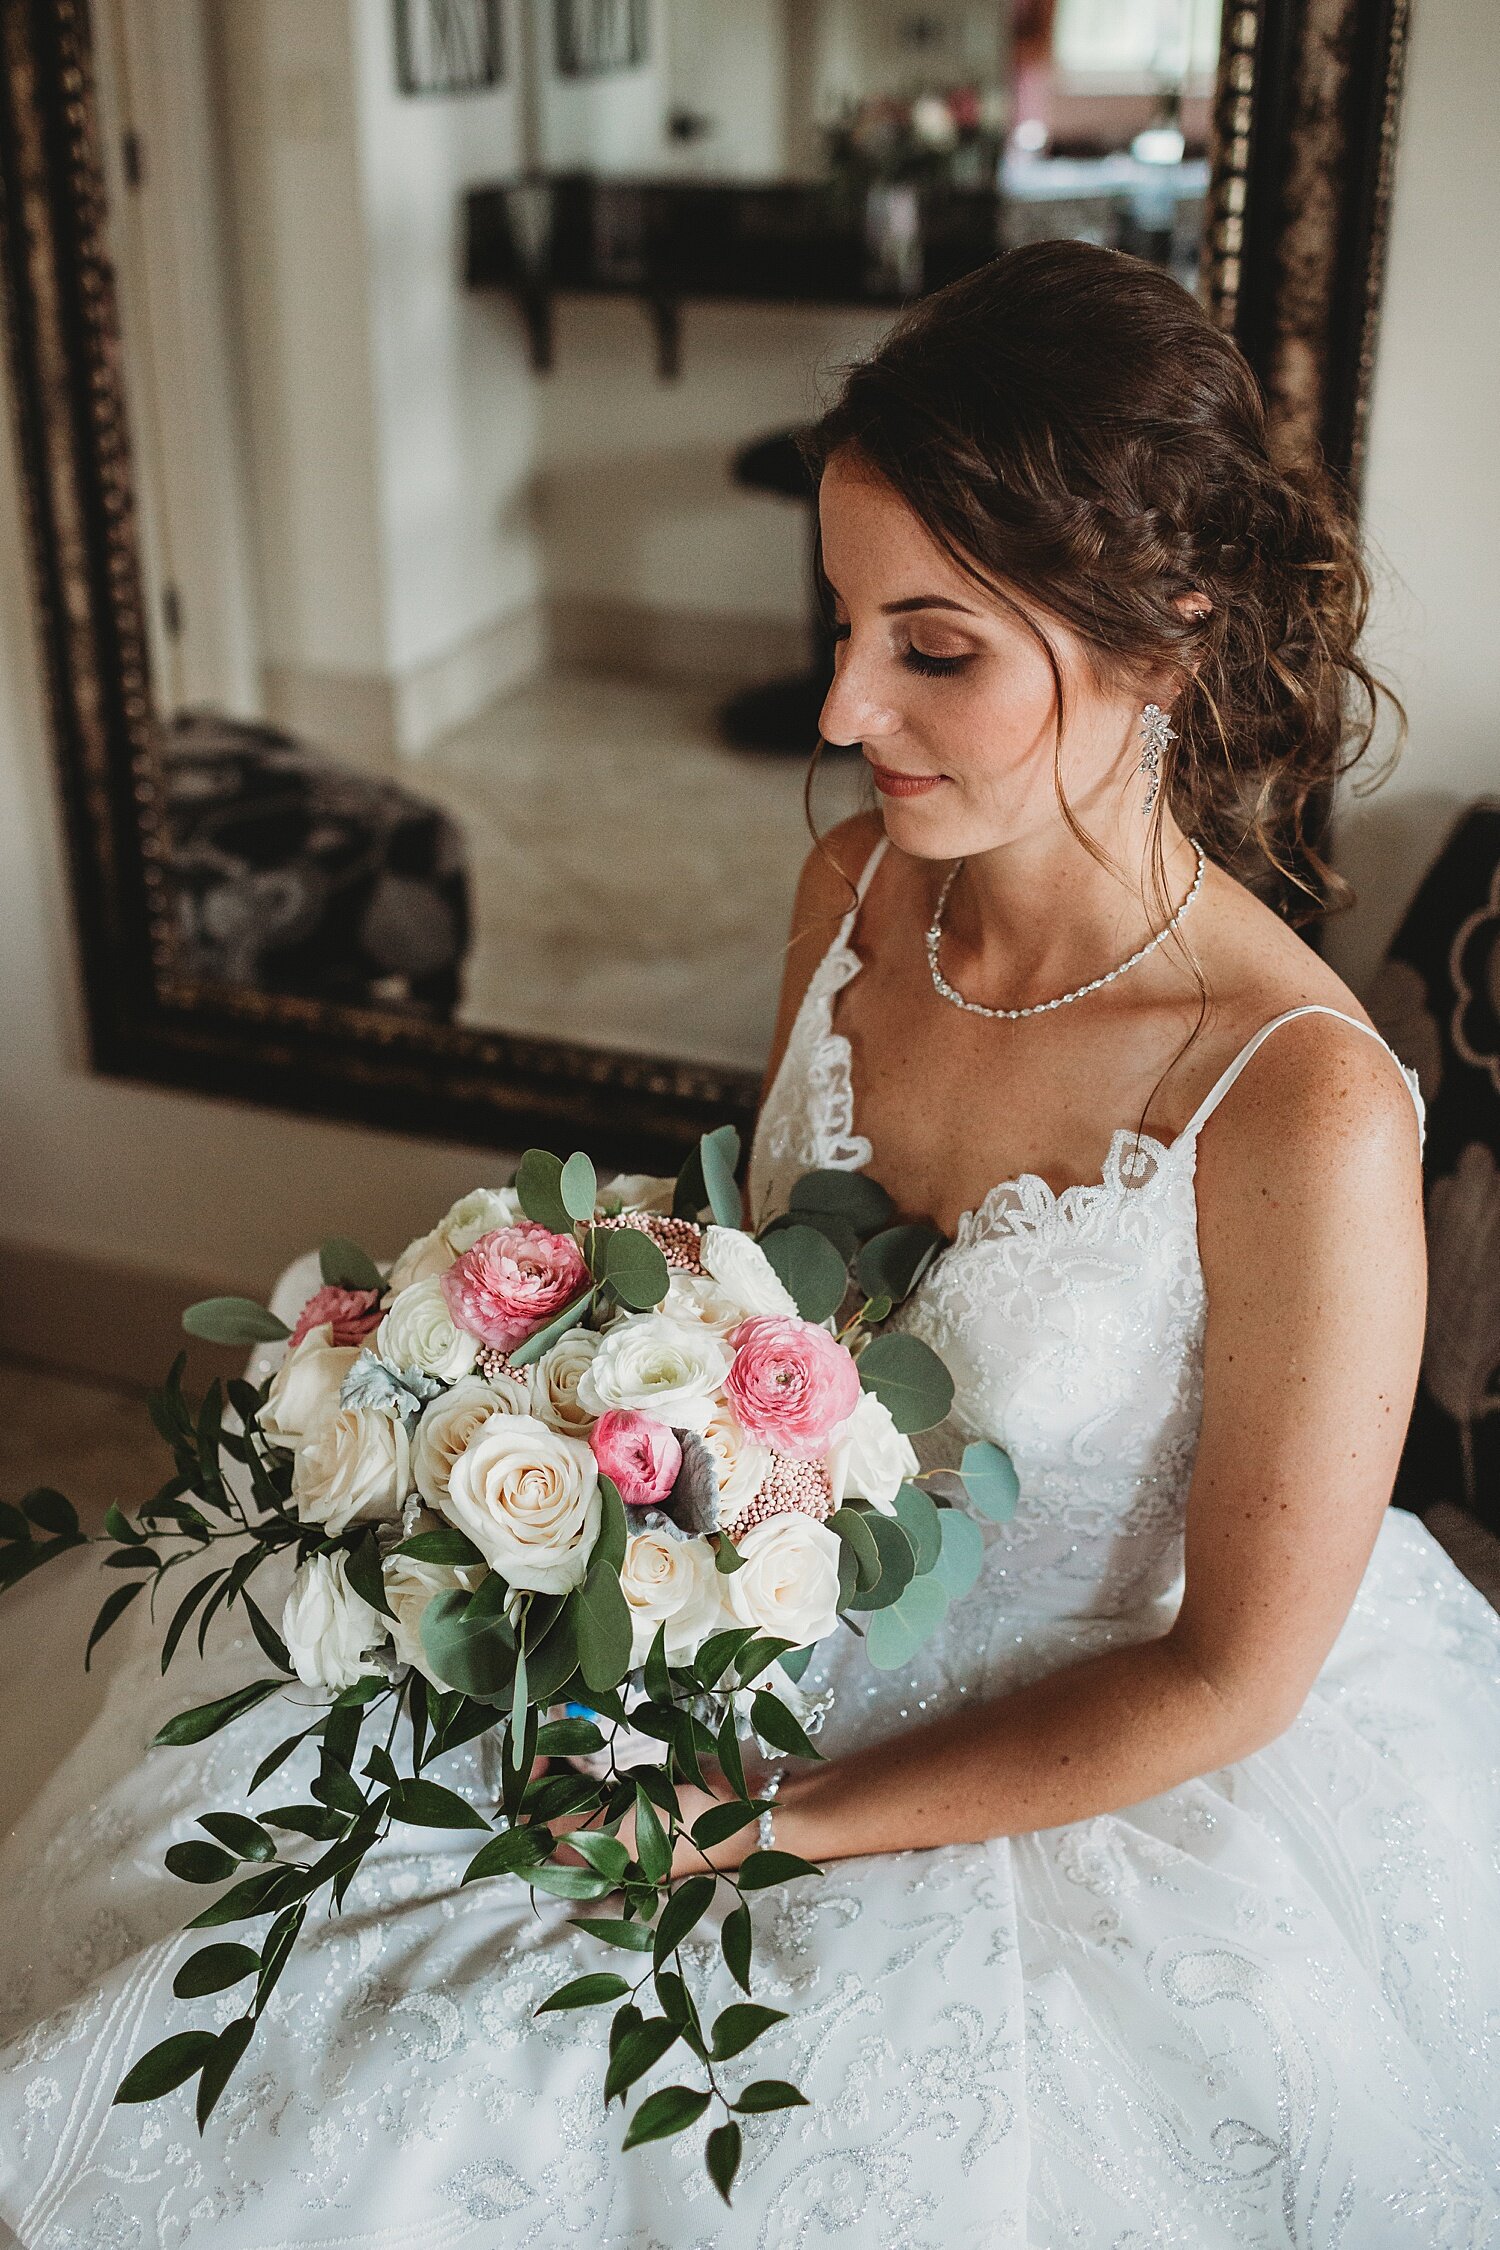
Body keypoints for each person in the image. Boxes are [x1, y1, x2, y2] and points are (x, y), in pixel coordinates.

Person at [2, 241, 1496, 2247]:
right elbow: (774, 1303)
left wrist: (760, 1825)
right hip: (735, 1640)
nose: (844, 700)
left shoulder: (1303, 1102)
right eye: (846, 619)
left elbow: (1233, 1676)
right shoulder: (860, 890)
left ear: (1168, 633)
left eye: (933, 647)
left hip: (1082, 1758)